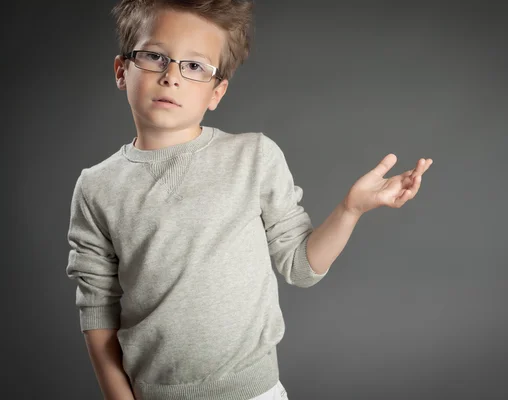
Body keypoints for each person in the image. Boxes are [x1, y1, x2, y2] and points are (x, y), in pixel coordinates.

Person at [65, 1, 433, 399]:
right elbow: (99, 307)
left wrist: (351, 210)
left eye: (194, 66)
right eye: (155, 57)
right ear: (123, 70)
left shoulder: (254, 157)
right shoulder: (96, 186)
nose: (172, 76)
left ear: (216, 92)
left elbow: (300, 267)